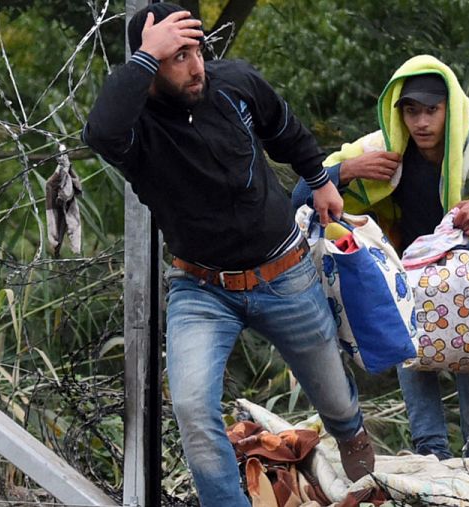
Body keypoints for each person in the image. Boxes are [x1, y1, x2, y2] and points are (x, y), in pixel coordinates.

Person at [82, 4, 373, 505]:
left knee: (338, 405)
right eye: (177, 57)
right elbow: (100, 132)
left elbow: (284, 128)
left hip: (285, 273)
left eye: (197, 50)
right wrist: (149, 54)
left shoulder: (234, 83)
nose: (195, 66)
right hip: (201, 290)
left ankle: (362, 461)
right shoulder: (135, 130)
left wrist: (320, 180)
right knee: (194, 411)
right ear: (149, 66)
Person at [293, 54, 469, 459]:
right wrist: (347, 170)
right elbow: (303, 196)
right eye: (411, 111)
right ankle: (433, 489)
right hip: (411, 291)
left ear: (452, 108)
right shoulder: (385, 152)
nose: (421, 122)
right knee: (425, 433)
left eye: (432, 110)